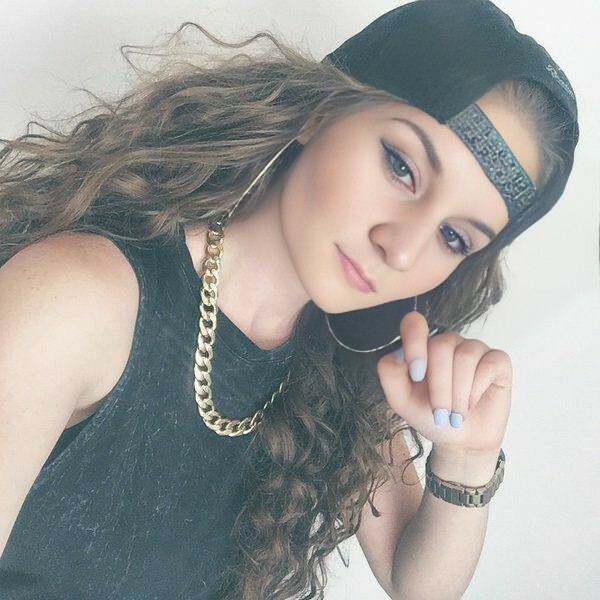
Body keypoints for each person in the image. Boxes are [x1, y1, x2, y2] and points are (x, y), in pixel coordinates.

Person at [0, 0, 579, 598]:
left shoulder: (339, 367)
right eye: (401, 167)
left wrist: (468, 454)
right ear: (321, 110)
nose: (403, 250)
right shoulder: (79, 300)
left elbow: (419, 586)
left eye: (453, 237)